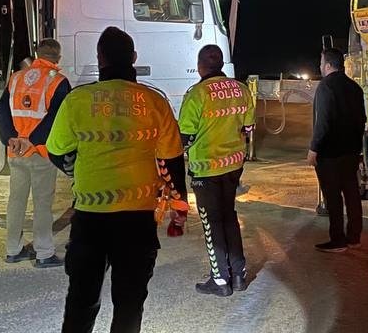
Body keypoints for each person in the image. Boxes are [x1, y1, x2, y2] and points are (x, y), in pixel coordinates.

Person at [46, 26, 188, 333]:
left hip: (90, 219)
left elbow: (56, 151)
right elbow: (172, 159)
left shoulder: (77, 100)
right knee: (129, 304)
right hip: (137, 219)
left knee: (81, 301)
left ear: (100, 59)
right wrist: (180, 207)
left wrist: (76, 170)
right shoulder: (155, 102)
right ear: (134, 58)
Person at [178, 45, 255, 297]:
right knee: (228, 216)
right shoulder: (241, 90)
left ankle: (220, 279)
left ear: (200, 66)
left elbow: (185, 136)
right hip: (233, 166)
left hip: (206, 169)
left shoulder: (197, 94)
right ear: (221, 65)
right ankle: (239, 275)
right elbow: (248, 127)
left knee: (211, 222)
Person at [0, 39, 70, 268]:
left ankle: (12, 250)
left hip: (16, 152)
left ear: (37, 55)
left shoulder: (17, 77)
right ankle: (44, 252)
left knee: (16, 201)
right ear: (58, 58)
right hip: (40, 152)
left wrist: (11, 138)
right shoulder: (58, 81)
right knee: (42, 204)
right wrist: (32, 140)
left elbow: (1, 109)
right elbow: (57, 117)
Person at [309, 47, 368, 252]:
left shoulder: (325, 87)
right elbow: (362, 119)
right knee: (352, 194)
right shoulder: (355, 87)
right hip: (351, 152)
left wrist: (314, 149)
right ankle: (354, 236)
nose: (319, 66)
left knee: (333, 197)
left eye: (321, 62)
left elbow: (322, 122)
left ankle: (338, 240)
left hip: (330, 153)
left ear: (327, 65)